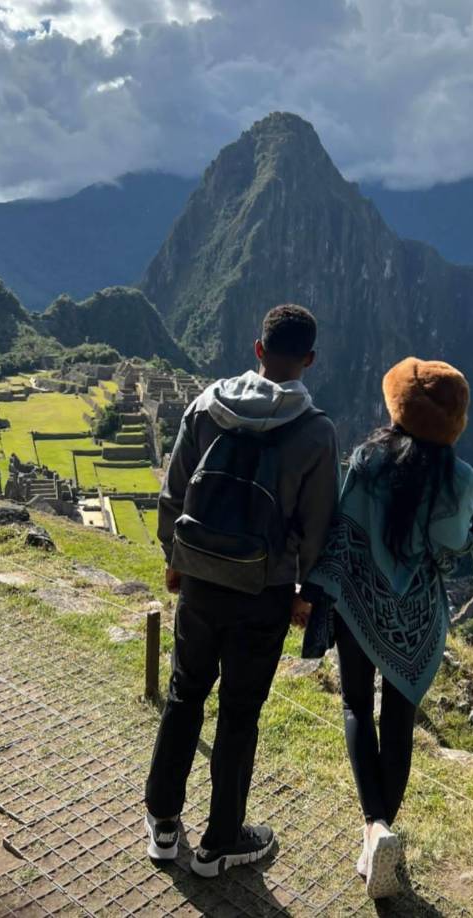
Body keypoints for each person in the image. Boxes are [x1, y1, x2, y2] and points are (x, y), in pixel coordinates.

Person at [144, 304, 340, 877]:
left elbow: (173, 492)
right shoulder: (317, 432)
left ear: (257, 349)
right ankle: (220, 842)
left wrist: (173, 560)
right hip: (265, 591)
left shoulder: (208, 405)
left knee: (184, 694)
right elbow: (318, 523)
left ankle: (161, 823)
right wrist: (307, 592)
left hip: (201, 580)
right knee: (239, 714)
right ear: (309, 360)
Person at [299, 356, 473, 900]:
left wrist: (319, 588)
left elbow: (343, 525)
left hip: (360, 601)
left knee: (357, 706)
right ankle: (379, 837)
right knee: (398, 719)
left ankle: (373, 823)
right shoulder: (460, 478)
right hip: (418, 616)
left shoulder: (368, 457)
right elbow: (452, 544)